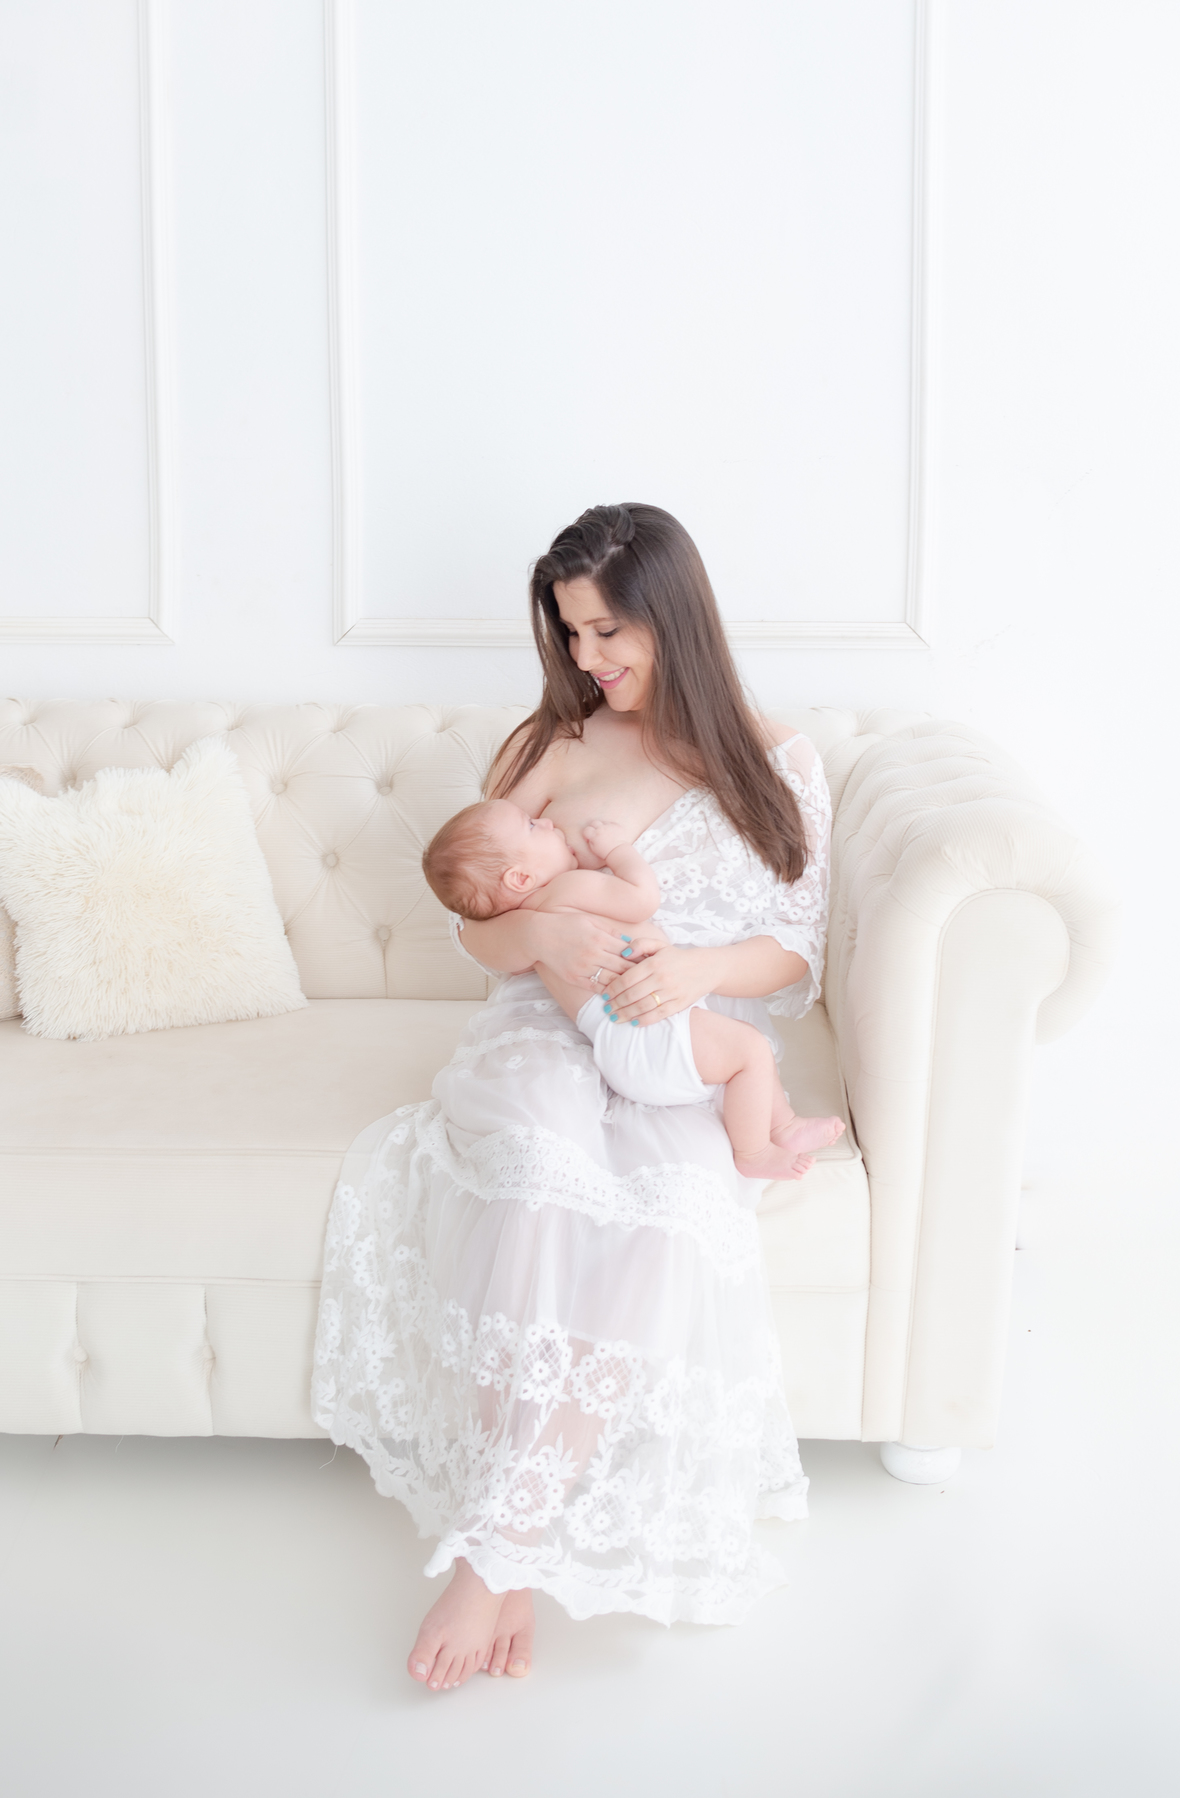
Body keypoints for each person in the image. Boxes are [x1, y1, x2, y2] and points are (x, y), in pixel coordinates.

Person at [312, 503, 832, 1693]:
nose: (590, 660)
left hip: (680, 1033)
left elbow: (794, 952)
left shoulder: (777, 757)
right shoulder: (549, 742)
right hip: (549, 1018)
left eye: (608, 632)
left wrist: (695, 971)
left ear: (675, 615)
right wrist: (541, 929)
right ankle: (511, 1534)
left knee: (678, 1205)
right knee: (543, 1167)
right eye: (572, 634)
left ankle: (500, 1549)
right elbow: (477, 932)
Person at [421, 799, 844, 1179]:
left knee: (743, 1051)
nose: (549, 822)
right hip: (647, 1030)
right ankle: (758, 1147)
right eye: (533, 826)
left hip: (625, 1039)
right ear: (519, 877)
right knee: (750, 1051)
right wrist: (617, 850)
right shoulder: (566, 889)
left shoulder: (531, 925)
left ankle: (779, 1127)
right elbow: (642, 900)